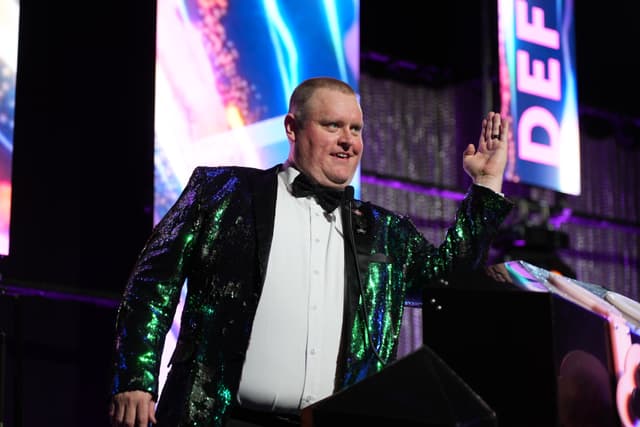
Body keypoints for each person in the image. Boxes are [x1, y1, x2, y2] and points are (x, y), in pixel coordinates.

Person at [108, 76, 513, 427]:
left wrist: (486, 186)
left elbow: (447, 279)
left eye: (355, 129)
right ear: (292, 127)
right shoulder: (221, 193)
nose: (348, 141)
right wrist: (136, 378)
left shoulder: (385, 231)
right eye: (332, 125)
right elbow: (152, 283)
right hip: (222, 418)